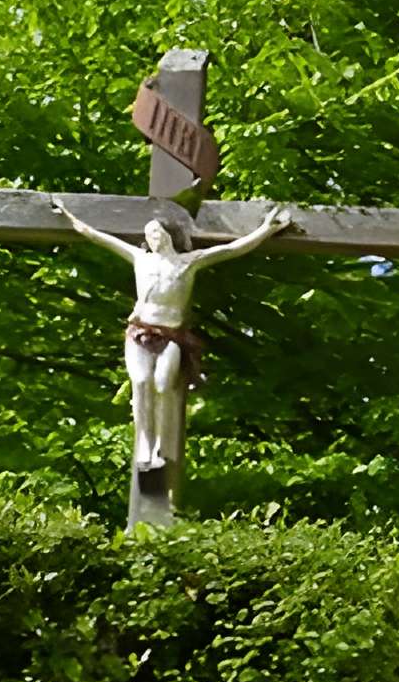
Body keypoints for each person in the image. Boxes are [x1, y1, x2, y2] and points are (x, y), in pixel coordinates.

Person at [51, 200, 295, 476]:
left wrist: (265, 229)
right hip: (139, 333)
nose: (152, 238)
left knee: (162, 385)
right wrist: (67, 214)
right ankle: (145, 446)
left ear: (167, 235)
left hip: (171, 336)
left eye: (156, 232)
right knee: (140, 382)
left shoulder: (188, 263)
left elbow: (232, 249)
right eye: (148, 234)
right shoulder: (140, 258)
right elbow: (96, 236)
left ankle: (160, 448)